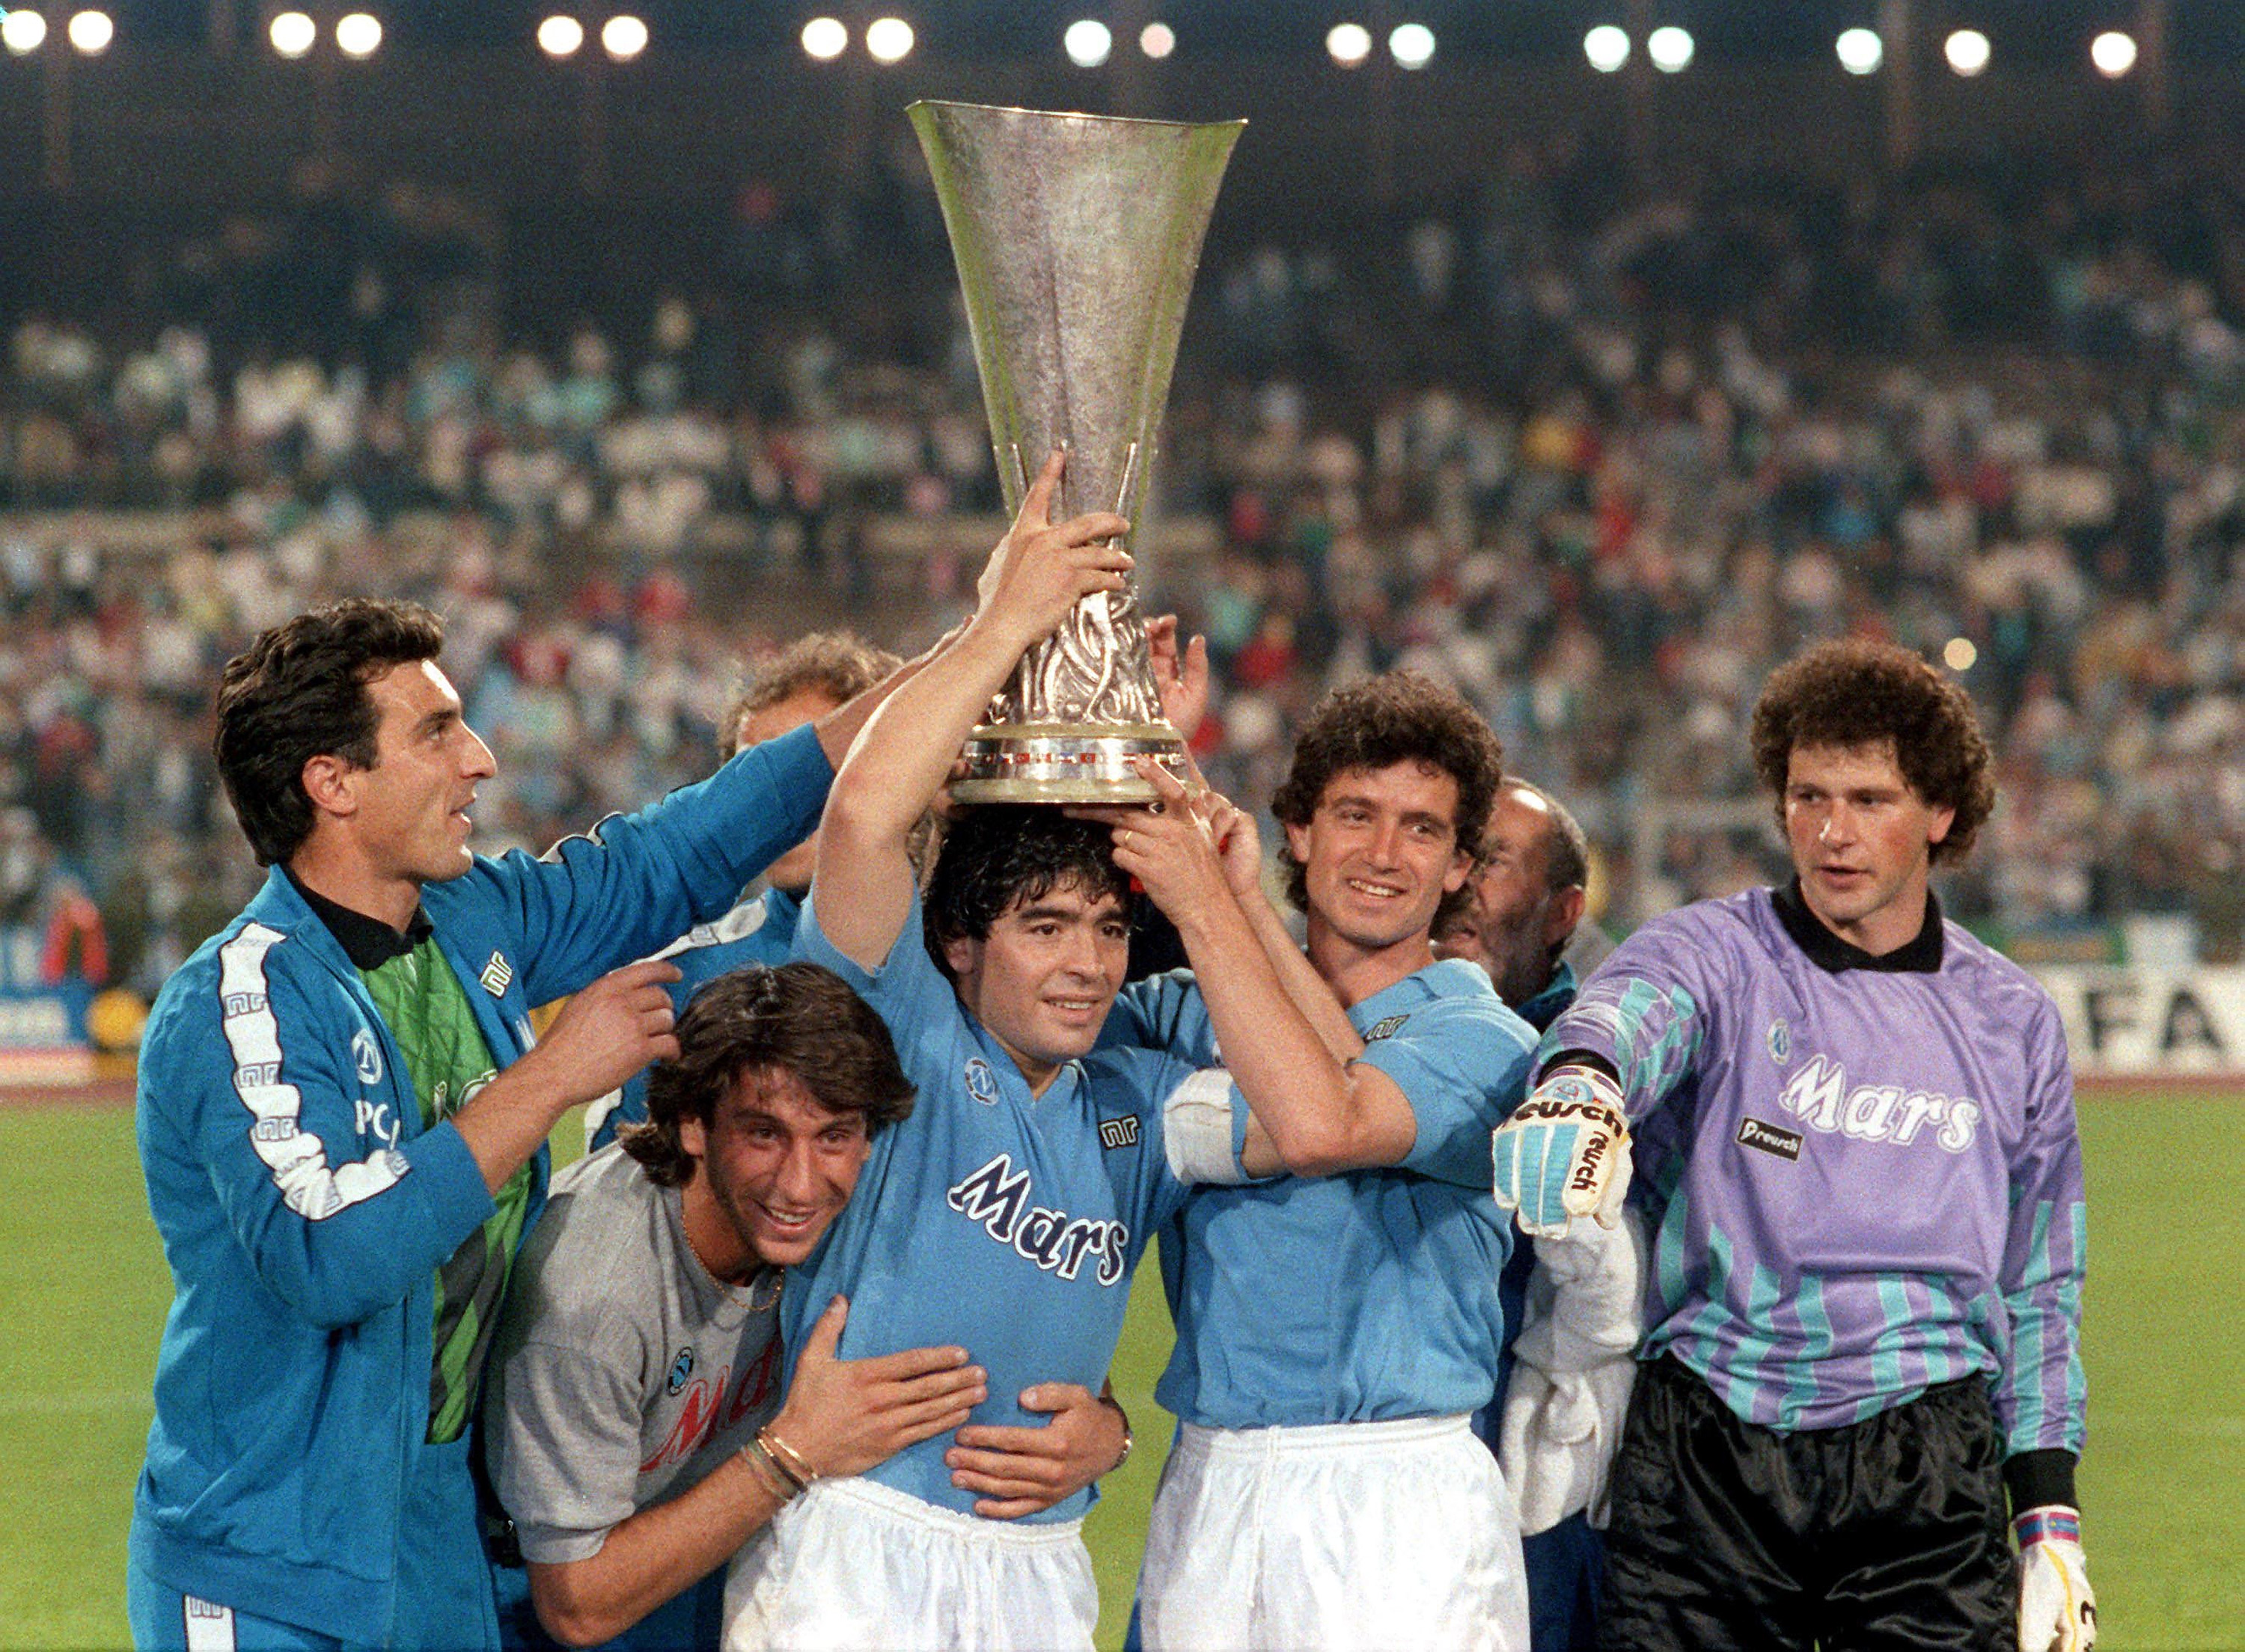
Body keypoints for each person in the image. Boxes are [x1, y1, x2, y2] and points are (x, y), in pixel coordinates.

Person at [128, 598, 886, 1652]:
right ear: (331, 781)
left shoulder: (473, 918)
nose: (479, 758)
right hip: (272, 1568)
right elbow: (329, 1253)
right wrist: (550, 1079)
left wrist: (980, 643)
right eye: (436, 732)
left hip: (438, 1544)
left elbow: (673, 855)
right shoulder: (241, 997)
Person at [1491, 637, 2095, 1652]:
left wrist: (2049, 1522)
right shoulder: (1718, 952)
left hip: (1924, 1458)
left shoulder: (2013, 1021)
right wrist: (1584, 1082)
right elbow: (1631, 1012)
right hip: (1709, 1451)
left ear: (1940, 814)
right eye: (1808, 796)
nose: (1832, 832)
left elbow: (2040, 1285)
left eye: (1870, 799)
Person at [719, 451, 1192, 1652]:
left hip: (1039, 1565)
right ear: (960, 947)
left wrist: (1119, 1431)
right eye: (1044, 928)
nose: (1087, 962)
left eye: (1104, 929)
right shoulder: (899, 1030)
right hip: (853, 1541)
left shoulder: (1141, 1095)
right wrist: (1009, 620)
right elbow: (868, 818)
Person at [1083, 670, 1540, 1652]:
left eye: (1423, 829)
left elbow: (1324, 1125)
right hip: (1210, 1483)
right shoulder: (1182, 1013)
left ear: (1462, 866)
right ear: (1296, 831)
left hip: (1397, 1502)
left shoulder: (1488, 1040)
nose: (1384, 853)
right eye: (1355, 815)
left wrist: (1214, 902)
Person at [482, 961, 1134, 1651]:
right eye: (764, 1135)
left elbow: (1011, 1304)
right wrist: (793, 1453)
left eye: (833, 1136)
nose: (799, 1185)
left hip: (725, 1557)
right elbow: (576, 1605)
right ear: (692, 1125)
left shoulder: (853, 1200)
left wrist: (1108, 1429)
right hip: (572, 1597)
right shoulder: (592, 1300)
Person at [1437, 780, 1628, 1652]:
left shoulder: (1603, 1071)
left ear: (1565, 913)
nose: (1463, 881)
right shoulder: (1359, 1022)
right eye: (1461, 854)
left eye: (1497, 863)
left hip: (1539, 1495)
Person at [584, 632, 902, 1153]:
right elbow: (625, 1194)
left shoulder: (977, 953)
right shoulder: (681, 981)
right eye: (755, 786)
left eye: (810, 775)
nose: (780, 813)